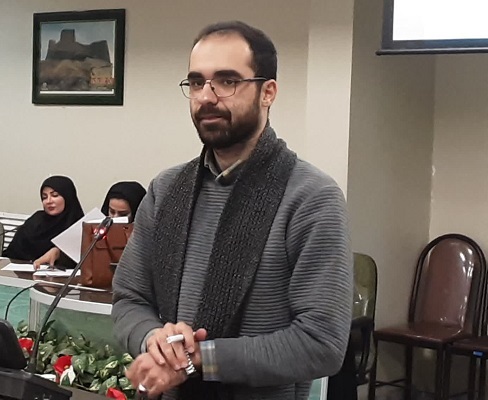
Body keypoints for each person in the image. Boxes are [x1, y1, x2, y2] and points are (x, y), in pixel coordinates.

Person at [112, 21, 353, 400]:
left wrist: (200, 358)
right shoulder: (166, 189)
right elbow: (130, 298)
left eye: (227, 81)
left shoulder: (311, 197)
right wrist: (153, 339)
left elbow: (321, 342)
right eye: (196, 82)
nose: (206, 97)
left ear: (268, 92)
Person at [3, 176, 83, 269]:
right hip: (22, 274)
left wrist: (59, 254)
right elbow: (12, 253)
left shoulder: (80, 226)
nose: (48, 201)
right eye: (44, 197)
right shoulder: (36, 220)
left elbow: (82, 262)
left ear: (68, 197)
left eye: (55, 195)